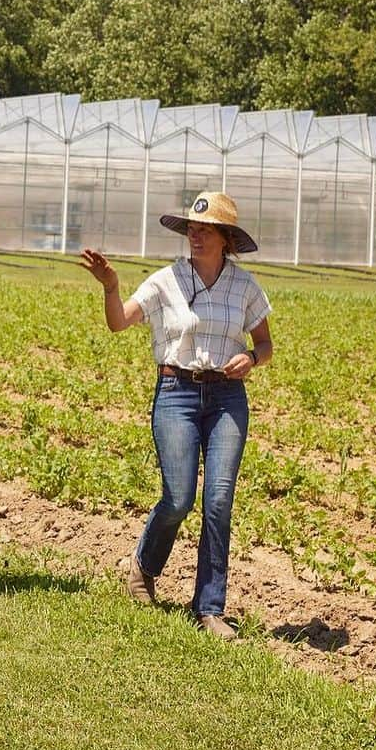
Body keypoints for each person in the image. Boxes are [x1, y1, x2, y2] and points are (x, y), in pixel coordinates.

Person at [79, 191, 273, 640]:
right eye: (192, 229)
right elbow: (118, 322)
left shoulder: (245, 287)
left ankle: (208, 608)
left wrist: (252, 358)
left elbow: (265, 344)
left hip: (228, 399)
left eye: (205, 230)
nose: (196, 236)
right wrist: (111, 285)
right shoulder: (165, 280)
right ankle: (144, 566)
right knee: (180, 496)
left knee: (219, 501)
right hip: (177, 393)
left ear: (226, 238)